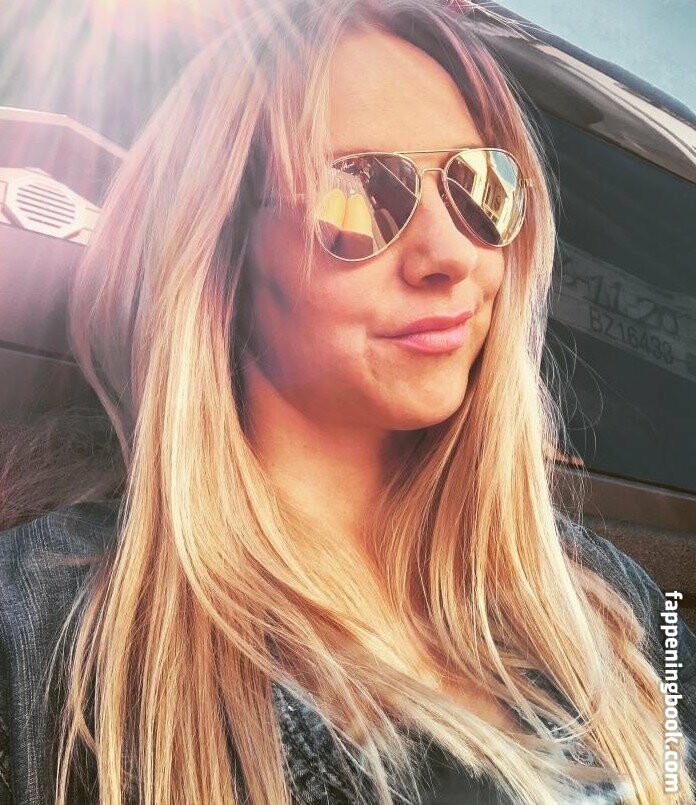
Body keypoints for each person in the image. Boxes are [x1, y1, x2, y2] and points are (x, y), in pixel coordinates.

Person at [0, 1, 694, 803]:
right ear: (226, 252)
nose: (450, 254)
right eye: (362, 191)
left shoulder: (608, 593)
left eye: (480, 187)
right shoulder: (50, 633)